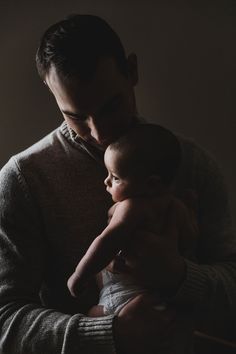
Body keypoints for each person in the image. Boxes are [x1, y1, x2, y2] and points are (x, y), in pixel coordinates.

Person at [0, 13, 235, 354]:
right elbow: (5, 320)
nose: (99, 132)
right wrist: (107, 333)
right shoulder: (22, 180)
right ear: (51, 93)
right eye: (76, 116)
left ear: (133, 71)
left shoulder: (193, 164)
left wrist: (181, 276)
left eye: (111, 106)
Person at [67, 123, 198, 317]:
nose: (106, 181)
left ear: (151, 184)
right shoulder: (176, 206)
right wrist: (192, 210)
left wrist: (80, 275)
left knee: (93, 314)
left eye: (115, 177)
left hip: (126, 292)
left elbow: (107, 242)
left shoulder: (132, 206)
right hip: (161, 293)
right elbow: (191, 239)